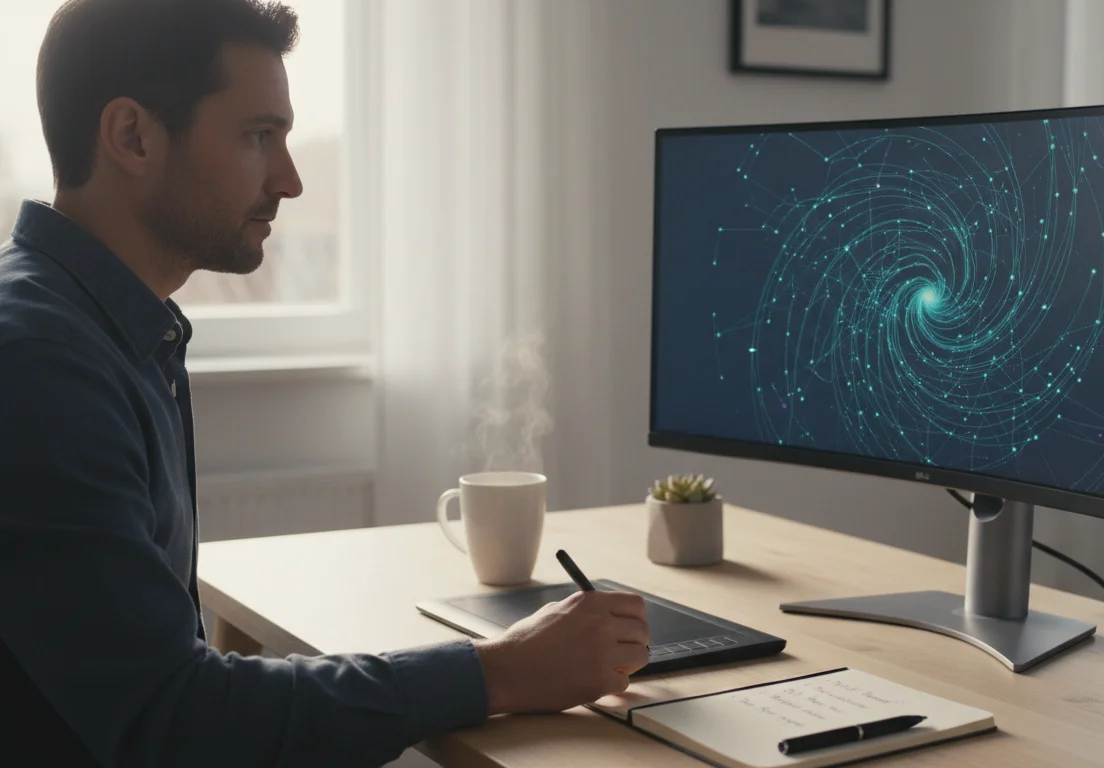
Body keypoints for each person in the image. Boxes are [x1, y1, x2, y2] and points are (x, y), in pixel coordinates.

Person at [0, 1, 650, 765]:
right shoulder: (42, 365)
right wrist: (498, 672)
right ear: (133, 136)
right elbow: (170, 719)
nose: (292, 178)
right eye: (258, 136)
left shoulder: (110, 327)